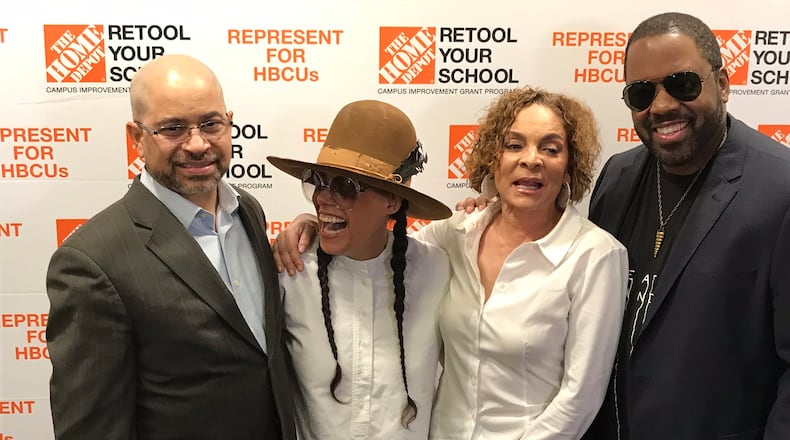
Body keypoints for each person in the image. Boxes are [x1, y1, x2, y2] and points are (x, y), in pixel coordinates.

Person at [273, 87, 629, 439]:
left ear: (570, 166)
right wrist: (310, 225)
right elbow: (375, 245)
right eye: (514, 145)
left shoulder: (595, 255)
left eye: (550, 148)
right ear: (494, 157)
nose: (531, 159)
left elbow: (580, 397)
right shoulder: (454, 238)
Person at [45, 54, 296, 440]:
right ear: (137, 138)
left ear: (228, 122)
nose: (197, 144)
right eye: (173, 128)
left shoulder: (248, 210)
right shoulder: (92, 261)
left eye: (211, 124)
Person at [580, 12, 790, 440]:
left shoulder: (781, 190)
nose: (660, 106)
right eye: (641, 94)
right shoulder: (616, 178)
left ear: (724, 84)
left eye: (682, 84)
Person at [266, 99, 451, 439]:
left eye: (345, 188)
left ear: (392, 201)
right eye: (317, 181)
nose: (323, 198)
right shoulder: (289, 272)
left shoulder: (437, 270)